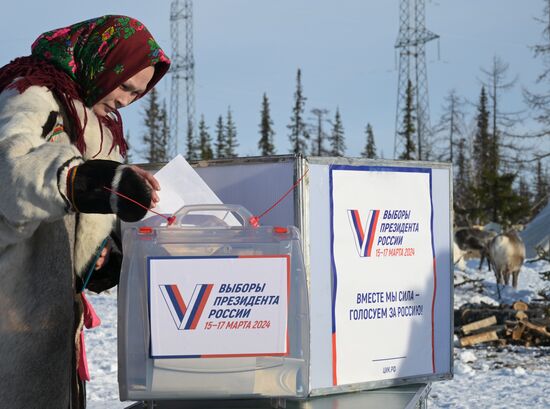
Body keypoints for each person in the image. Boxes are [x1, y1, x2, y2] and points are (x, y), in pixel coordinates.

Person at [0, 15, 170, 408]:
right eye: (126, 85)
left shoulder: (95, 127)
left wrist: (102, 257)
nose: (127, 99)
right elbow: (11, 173)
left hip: (47, 325)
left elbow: (78, 219)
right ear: (104, 63)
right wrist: (86, 180)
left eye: (137, 94)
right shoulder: (29, 95)